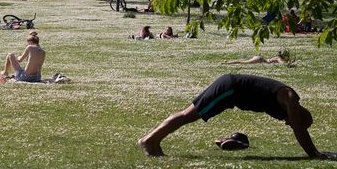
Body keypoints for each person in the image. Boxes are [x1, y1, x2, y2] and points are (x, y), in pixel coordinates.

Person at [137, 73, 327, 158]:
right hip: (230, 89)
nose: (289, 124)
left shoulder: (287, 103)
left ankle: (154, 142)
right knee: (188, 115)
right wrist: (314, 154)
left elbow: (299, 127)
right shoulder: (290, 99)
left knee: (187, 114)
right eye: (292, 122)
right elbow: (300, 131)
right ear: (298, 116)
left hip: (229, 88)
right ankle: (148, 140)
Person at [225, 50, 293, 65]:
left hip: (259, 58)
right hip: (260, 60)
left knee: (243, 61)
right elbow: (283, 64)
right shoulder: (279, 58)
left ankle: (228, 62)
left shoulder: (278, 57)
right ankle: (227, 63)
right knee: (243, 62)